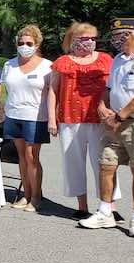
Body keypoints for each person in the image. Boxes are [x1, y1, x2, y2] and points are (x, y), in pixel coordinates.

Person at [80, 18, 134, 238]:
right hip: (115, 121)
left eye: (118, 35)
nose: (114, 40)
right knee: (106, 165)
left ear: (129, 35)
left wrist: (119, 117)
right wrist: (102, 104)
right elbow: (109, 88)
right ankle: (105, 212)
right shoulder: (119, 58)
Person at [47, 22, 121, 219]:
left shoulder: (106, 59)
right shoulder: (62, 62)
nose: (89, 42)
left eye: (92, 38)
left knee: (105, 163)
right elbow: (53, 90)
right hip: (70, 119)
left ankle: (109, 206)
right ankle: (82, 205)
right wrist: (52, 119)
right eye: (84, 38)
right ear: (73, 40)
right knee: (74, 163)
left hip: (100, 119)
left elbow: (116, 87)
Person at [1, 25, 53, 213]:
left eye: (29, 43)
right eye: (21, 43)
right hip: (14, 114)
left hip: (35, 116)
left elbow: (52, 93)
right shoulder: (9, 65)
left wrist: (53, 119)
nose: (24, 46)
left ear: (37, 44)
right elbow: (7, 89)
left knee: (32, 156)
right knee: (21, 157)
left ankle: (36, 197)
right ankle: (26, 194)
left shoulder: (47, 66)